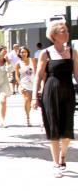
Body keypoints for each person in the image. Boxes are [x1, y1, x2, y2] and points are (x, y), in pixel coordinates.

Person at [32, 20, 77, 178]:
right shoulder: (46, 53)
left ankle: (63, 156)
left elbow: (77, 75)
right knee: (53, 129)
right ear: (54, 35)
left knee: (67, 129)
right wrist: (34, 97)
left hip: (68, 93)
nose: (66, 33)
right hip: (50, 93)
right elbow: (38, 75)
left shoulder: (72, 52)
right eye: (63, 31)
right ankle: (56, 163)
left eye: (66, 31)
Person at [15, 47, 36, 126]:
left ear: (28, 53)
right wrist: (20, 85)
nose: (23, 54)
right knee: (27, 100)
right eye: (22, 52)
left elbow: (36, 71)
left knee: (30, 102)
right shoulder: (18, 64)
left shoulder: (32, 60)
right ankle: (27, 118)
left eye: (25, 52)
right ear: (19, 54)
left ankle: (28, 112)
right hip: (24, 84)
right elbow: (17, 76)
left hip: (33, 84)